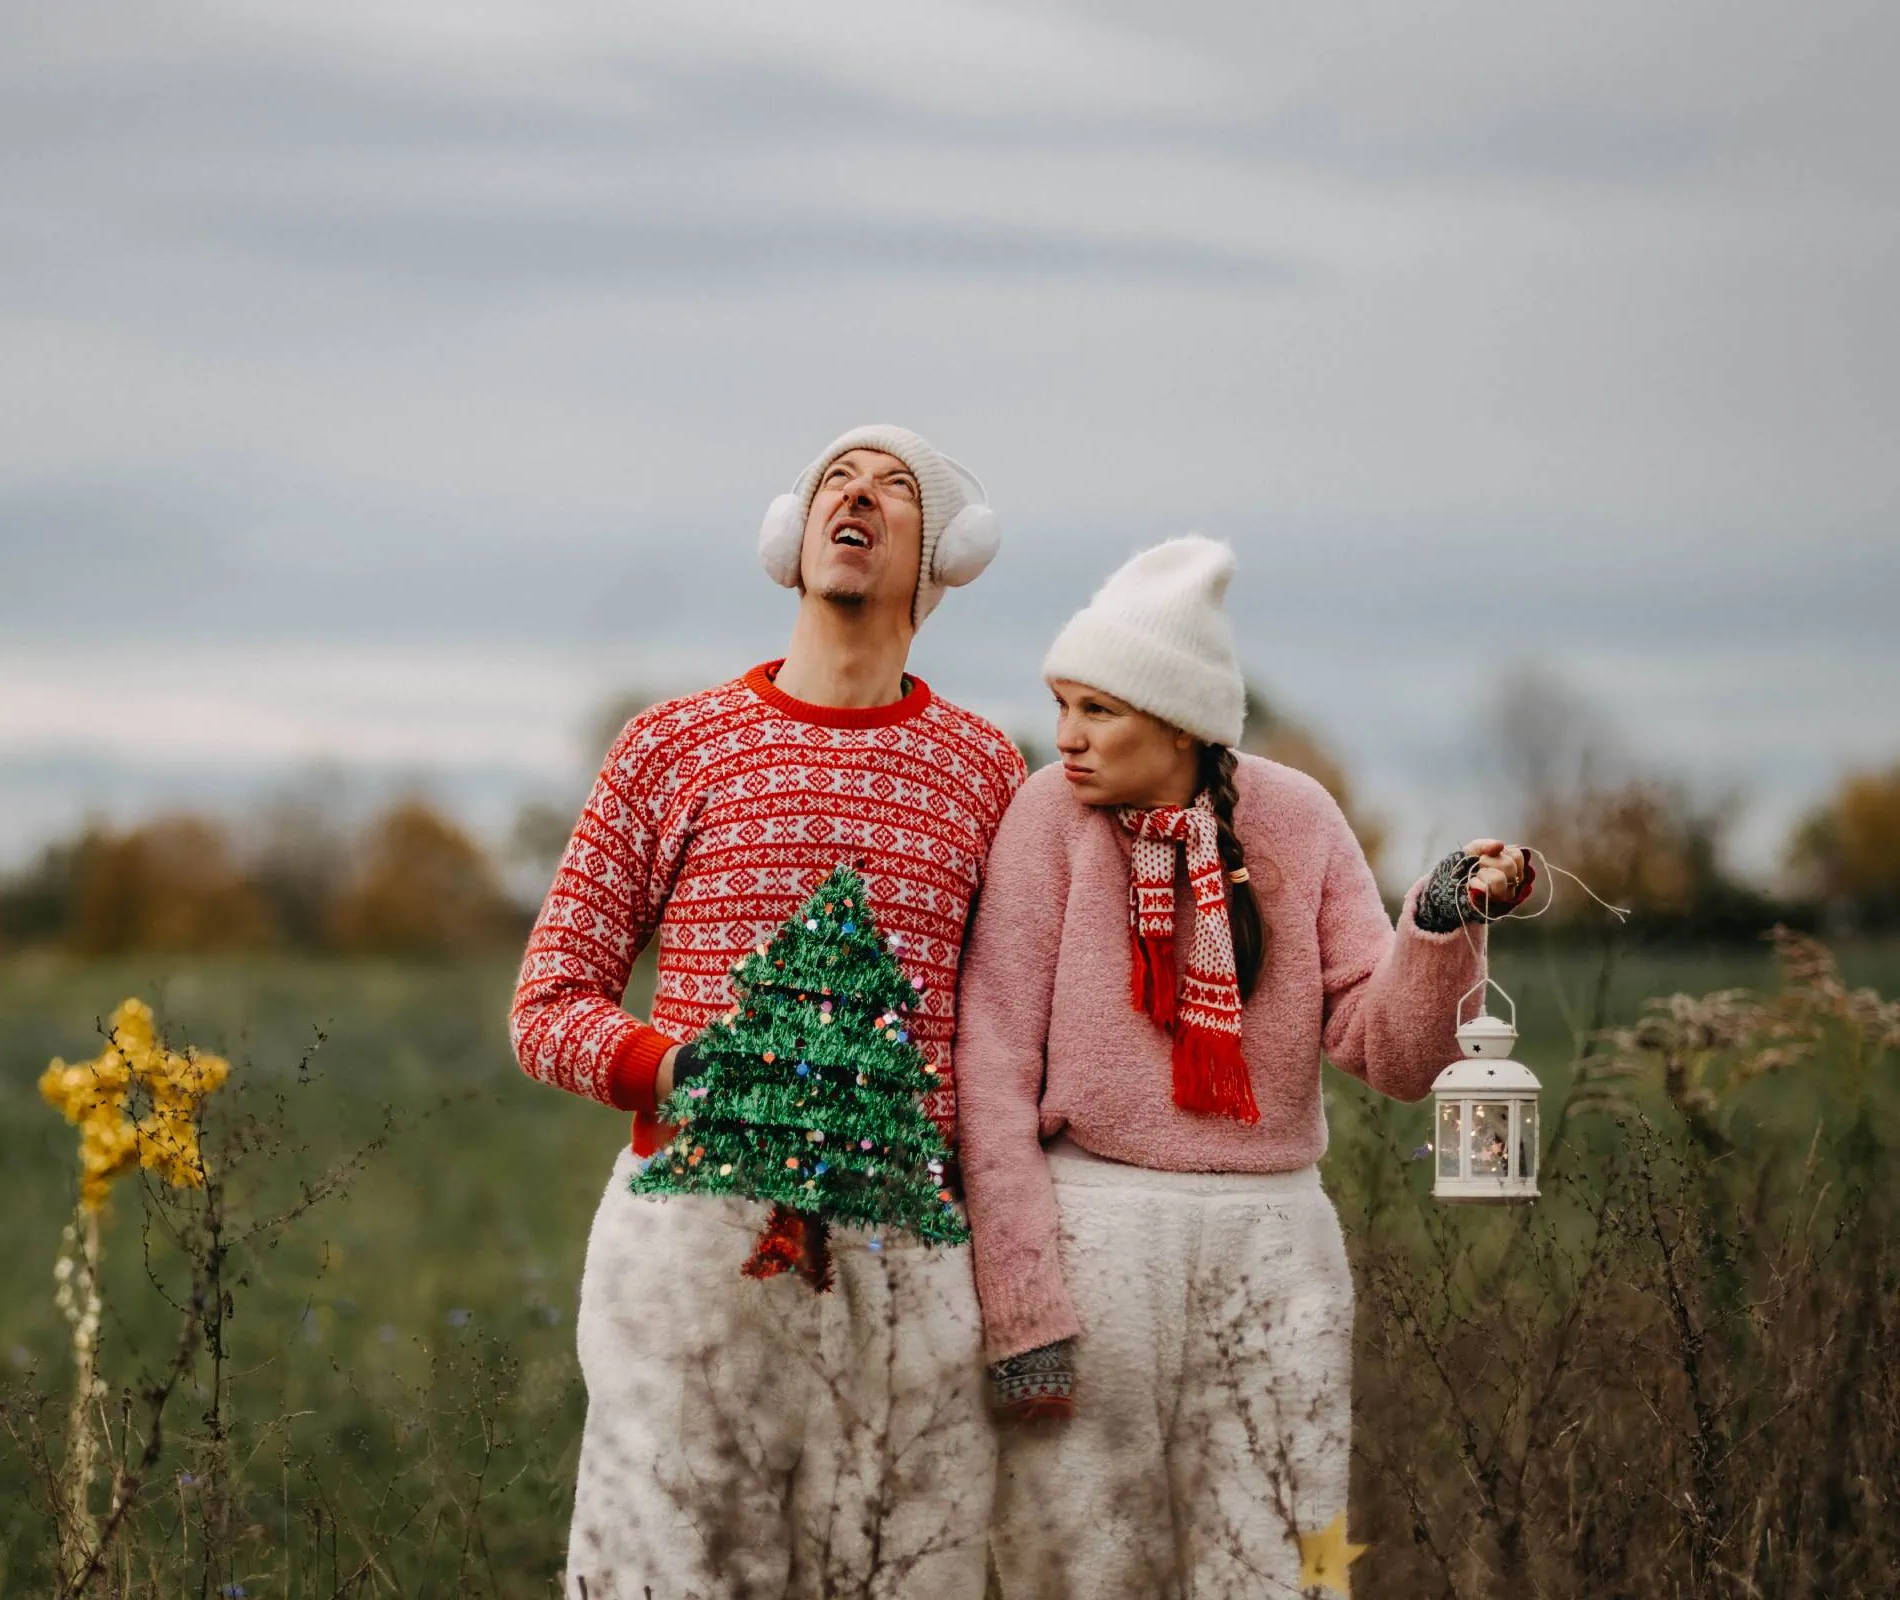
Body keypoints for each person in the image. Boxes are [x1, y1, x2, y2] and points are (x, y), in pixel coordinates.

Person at [952, 535, 1531, 1599]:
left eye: (1097, 710)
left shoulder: (1299, 817)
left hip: (1278, 1251)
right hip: (1094, 1239)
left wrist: (1441, 927)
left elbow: (1386, 1047)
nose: (1065, 737)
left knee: (1288, 1563)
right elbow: (987, 1065)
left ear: (1178, 718)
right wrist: (1022, 1302)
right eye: (1061, 703)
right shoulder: (1046, 818)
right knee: (1078, 1566)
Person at [511, 425, 1028, 1599]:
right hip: (689, 1246)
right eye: (835, 480)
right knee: (662, 1574)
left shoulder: (988, 772)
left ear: (937, 559)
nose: (859, 494)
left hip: (909, 1260)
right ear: (791, 542)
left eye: (896, 489)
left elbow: (1018, 1037)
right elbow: (548, 1003)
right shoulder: (669, 745)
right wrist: (686, 1071)